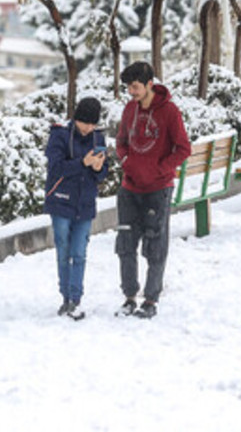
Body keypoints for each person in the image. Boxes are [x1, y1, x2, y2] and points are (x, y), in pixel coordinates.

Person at [114, 61, 191, 319]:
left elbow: (183, 148)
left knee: (155, 244)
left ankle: (150, 299)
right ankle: (128, 296)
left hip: (157, 189)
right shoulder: (129, 109)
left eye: (135, 87)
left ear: (149, 84)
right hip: (129, 188)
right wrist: (126, 161)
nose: (132, 92)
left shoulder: (169, 112)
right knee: (126, 244)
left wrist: (160, 169)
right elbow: (122, 141)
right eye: (129, 88)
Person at [44, 96, 109, 320]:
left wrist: (99, 168)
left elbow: (102, 173)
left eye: (93, 124)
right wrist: (82, 163)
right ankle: (65, 298)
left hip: (85, 203)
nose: (88, 128)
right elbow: (56, 168)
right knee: (64, 251)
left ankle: (76, 298)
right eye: (85, 123)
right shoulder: (60, 136)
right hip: (61, 201)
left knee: (79, 253)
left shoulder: (97, 138)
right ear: (76, 118)